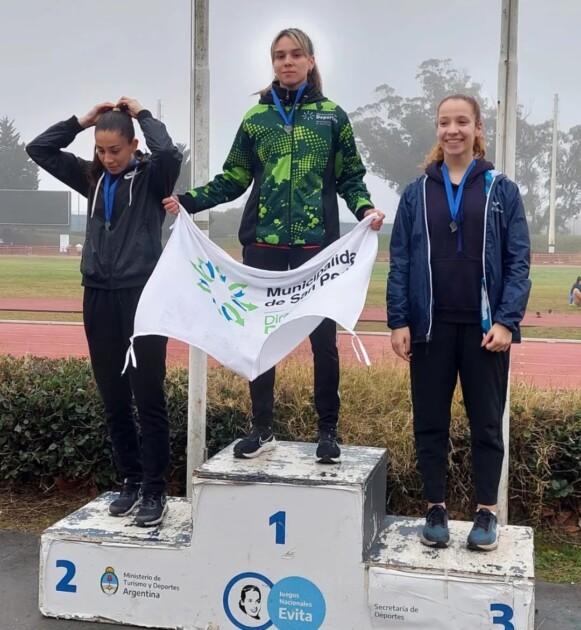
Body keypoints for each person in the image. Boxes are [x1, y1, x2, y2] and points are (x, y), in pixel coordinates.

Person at [163, 28, 384, 464]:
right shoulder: (256, 119)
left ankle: (328, 432)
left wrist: (364, 209)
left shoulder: (332, 117)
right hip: (263, 247)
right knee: (260, 338)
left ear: (310, 61)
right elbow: (234, 178)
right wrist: (187, 201)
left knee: (323, 341)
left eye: (296, 54)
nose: (287, 61)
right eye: (280, 55)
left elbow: (349, 178)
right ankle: (262, 429)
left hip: (316, 250)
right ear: (273, 63)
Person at [26, 98, 182, 527]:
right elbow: (39, 149)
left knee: (147, 396)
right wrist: (82, 121)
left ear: (133, 146)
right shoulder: (91, 176)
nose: (108, 158)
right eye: (101, 149)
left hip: (141, 296)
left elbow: (170, 153)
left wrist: (144, 116)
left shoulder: (152, 178)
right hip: (97, 293)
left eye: (115, 150)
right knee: (113, 397)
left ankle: (155, 490)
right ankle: (131, 480)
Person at [387, 94, 531, 551]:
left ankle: (486, 512)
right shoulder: (416, 192)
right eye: (445, 122)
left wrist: (506, 320)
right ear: (437, 129)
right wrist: (399, 320)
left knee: (486, 424)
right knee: (430, 422)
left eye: (462, 122)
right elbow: (400, 259)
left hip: (485, 330)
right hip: (430, 328)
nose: (453, 130)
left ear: (477, 129)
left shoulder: (500, 189)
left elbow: (518, 260)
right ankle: (435, 508)